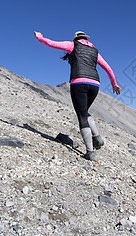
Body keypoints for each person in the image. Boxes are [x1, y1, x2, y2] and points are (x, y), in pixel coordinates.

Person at [34, 30, 121, 161]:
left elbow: (51, 43)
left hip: (79, 82)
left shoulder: (72, 45)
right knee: (85, 111)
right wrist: (114, 84)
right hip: (95, 84)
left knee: (82, 116)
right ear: (86, 38)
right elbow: (108, 68)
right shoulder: (95, 51)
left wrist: (39, 37)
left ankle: (90, 152)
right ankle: (96, 137)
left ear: (76, 38)